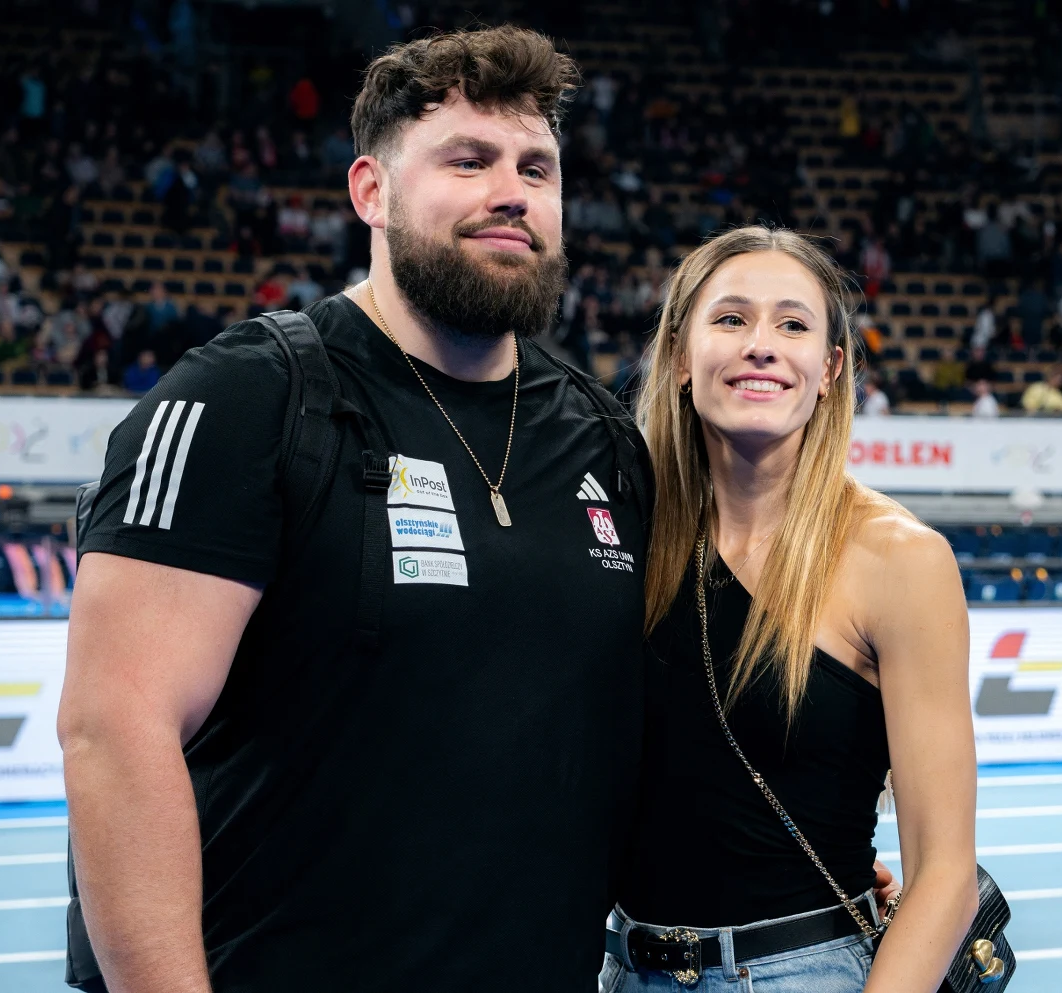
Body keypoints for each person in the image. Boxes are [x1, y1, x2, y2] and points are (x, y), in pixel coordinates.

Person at [59, 27, 652, 993]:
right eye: (469, 160)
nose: (512, 191)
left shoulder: (603, 438)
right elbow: (114, 727)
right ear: (370, 191)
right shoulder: (245, 397)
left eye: (536, 167)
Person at [605, 227, 977, 992]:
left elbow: (945, 875)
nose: (762, 346)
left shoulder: (902, 560)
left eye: (793, 324)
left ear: (831, 369)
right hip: (624, 967)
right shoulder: (622, 537)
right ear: (680, 357)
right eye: (731, 318)